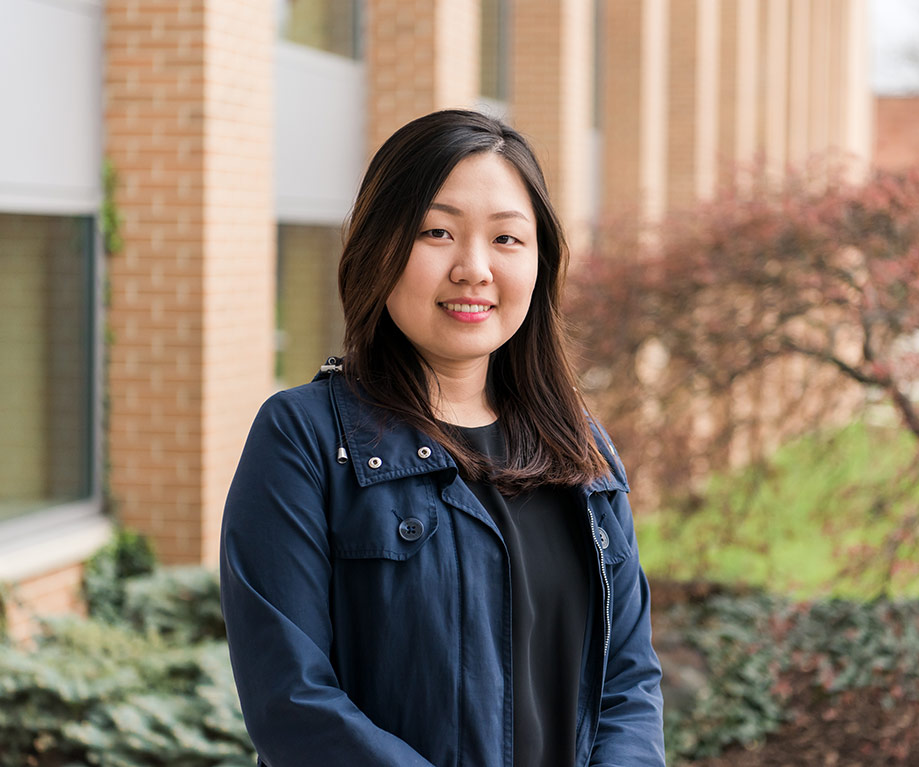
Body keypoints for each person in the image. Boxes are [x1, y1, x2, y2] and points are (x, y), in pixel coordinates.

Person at [219, 109, 665, 766]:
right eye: (437, 231)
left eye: (507, 239)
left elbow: (628, 683)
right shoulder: (304, 439)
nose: (473, 268)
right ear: (379, 247)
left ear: (539, 260)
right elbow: (292, 701)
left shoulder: (581, 452)